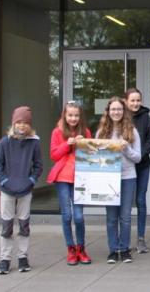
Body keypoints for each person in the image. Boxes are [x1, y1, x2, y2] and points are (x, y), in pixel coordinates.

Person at [0, 106, 43, 274]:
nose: (22, 126)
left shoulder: (34, 143)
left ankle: (23, 257)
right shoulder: (4, 142)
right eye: (19, 122)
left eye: (25, 123)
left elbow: (38, 165)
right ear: (13, 124)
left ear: (30, 125)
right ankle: (5, 259)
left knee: (24, 225)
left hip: (25, 190)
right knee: (6, 226)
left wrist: (31, 180)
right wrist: (4, 181)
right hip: (7, 190)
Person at [47, 101, 93, 266]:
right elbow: (54, 155)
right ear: (65, 116)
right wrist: (68, 143)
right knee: (67, 215)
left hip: (80, 178)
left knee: (79, 217)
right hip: (62, 179)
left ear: (80, 116)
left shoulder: (86, 131)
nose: (73, 118)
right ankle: (71, 249)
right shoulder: (57, 132)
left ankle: (81, 248)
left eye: (76, 115)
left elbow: (90, 155)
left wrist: (84, 144)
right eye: (70, 115)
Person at [97, 97, 142, 264]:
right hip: (109, 178)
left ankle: (124, 249)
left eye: (119, 109)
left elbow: (137, 158)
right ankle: (113, 250)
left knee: (125, 216)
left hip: (128, 177)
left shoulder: (132, 131)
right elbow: (95, 154)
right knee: (111, 217)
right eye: (113, 109)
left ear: (124, 112)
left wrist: (126, 149)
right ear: (108, 112)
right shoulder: (102, 132)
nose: (116, 112)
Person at [125, 88, 150, 254]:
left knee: (140, 200)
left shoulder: (145, 117)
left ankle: (141, 238)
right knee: (125, 203)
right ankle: (124, 239)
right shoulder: (120, 116)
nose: (136, 103)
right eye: (132, 100)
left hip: (142, 165)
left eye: (138, 100)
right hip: (124, 166)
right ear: (126, 101)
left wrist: (141, 154)